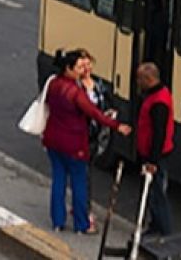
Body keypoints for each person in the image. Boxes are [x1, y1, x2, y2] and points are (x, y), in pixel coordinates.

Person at [42, 49, 131, 234]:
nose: (82, 71)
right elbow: (95, 113)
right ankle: (81, 224)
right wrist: (117, 126)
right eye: (78, 67)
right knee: (79, 183)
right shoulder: (75, 92)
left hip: (53, 138)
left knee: (58, 180)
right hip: (74, 143)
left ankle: (58, 221)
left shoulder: (53, 84)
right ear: (68, 68)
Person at [135, 62, 175, 237]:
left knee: (158, 194)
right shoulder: (158, 94)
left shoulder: (158, 102)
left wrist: (153, 161)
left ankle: (164, 232)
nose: (137, 82)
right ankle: (155, 226)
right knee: (153, 194)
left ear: (148, 79)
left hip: (156, 156)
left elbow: (159, 133)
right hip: (153, 154)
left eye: (140, 78)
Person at [76, 50, 114, 234]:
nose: (86, 68)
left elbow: (105, 105)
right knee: (83, 177)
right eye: (82, 65)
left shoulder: (98, 86)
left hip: (93, 137)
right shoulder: (73, 87)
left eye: (89, 64)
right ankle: (84, 216)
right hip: (77, 137)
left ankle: (81, 208)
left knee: (85, 174)